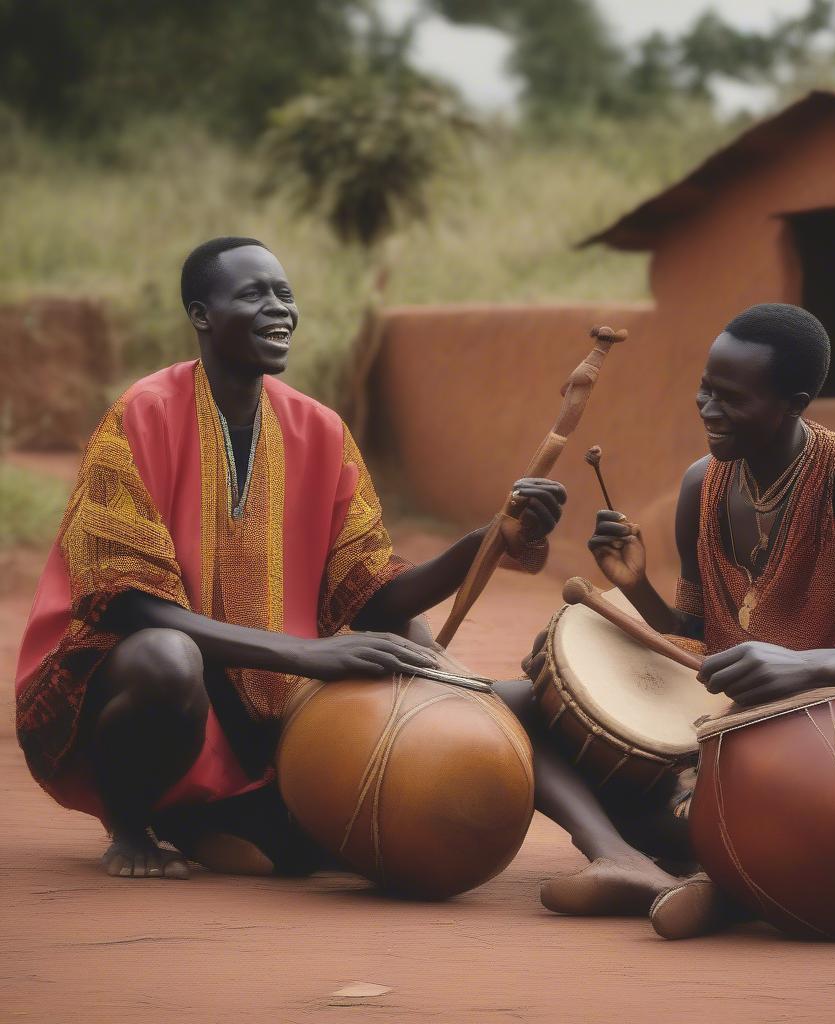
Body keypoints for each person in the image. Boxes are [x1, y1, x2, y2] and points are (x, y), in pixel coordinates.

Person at [14, 236, 567, 880]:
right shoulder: (141, 415)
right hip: (131, 678)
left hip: (271, 703)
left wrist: (485, 542)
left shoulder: (321, 429)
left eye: (285, 293)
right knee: (170, 659)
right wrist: (305, 653)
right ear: (201, 314)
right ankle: (132, 824)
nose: (279, 309)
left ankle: (200, 820)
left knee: (313, 849)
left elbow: (371, 596)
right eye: (253, 294)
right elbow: (128, 604)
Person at [581, 302, 835, 939]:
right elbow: (698, 631)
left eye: (731, 398)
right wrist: (638, 592)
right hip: (756, 732)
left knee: (796, 797)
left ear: (794, 402)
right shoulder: (703, 486)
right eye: (705, 390)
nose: (707, 408)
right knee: (560, 731)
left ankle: (727, 879)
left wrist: (804, 667)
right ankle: (636, 861)